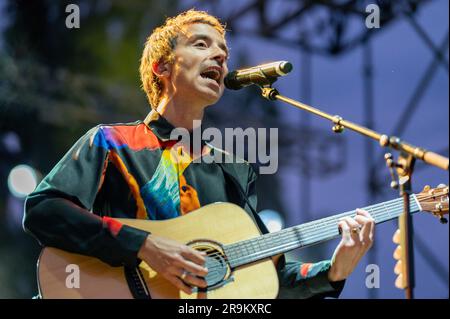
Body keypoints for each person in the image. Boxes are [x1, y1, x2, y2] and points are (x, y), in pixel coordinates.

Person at [23, 9, 375, 299]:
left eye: (223, 51)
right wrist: (144, 246)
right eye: (201, 44)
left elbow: (266, 280)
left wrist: (334, 270)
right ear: (162, 67)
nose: (220, 56)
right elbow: (44, 210)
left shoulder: (233, 169)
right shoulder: (112, 141)